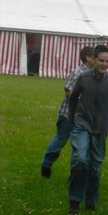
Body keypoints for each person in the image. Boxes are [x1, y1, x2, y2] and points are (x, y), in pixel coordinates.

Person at [67, 45, 108, 215]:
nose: (104, 64)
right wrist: (72, 118)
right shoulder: (83, 78)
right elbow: (72, 99)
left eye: (107, 61)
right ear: (93, 59)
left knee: (95, 168)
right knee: (80, 159)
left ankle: (90, 201)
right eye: (101, 60)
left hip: (100, 129)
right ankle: (74, 201)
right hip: (82, 124)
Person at [41, 46, 94, 179]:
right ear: (88, 58)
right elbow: (68, 90)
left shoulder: (92, 73)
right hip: (68, 115)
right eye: (95, 56)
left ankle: (74, 174)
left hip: (82, 117)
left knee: (79, 146)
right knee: (60, 140)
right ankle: (47, 164)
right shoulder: (79, 72)